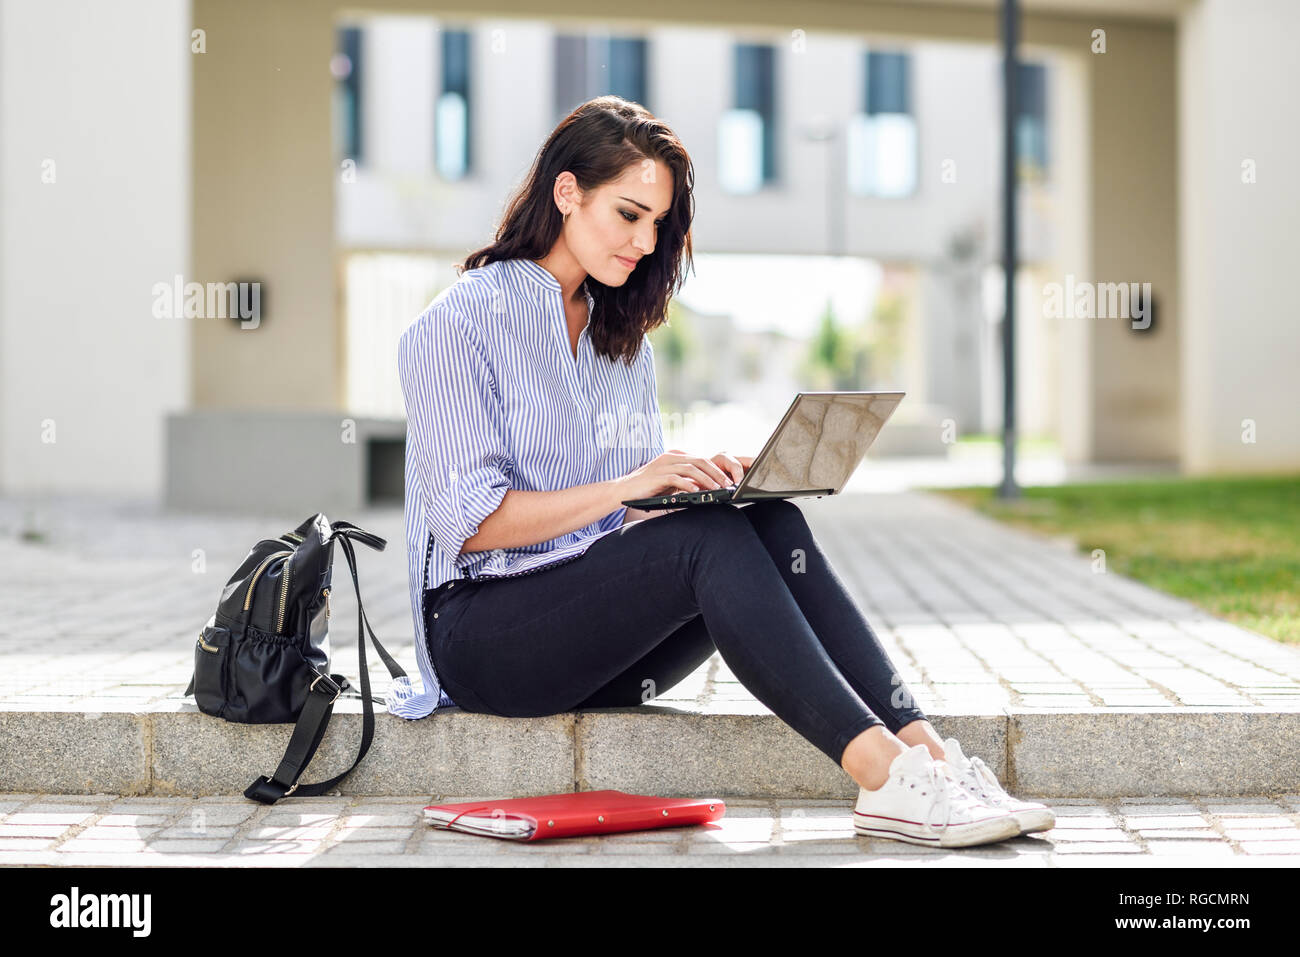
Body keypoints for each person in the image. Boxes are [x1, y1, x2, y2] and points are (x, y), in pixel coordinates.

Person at [393, 95, 1053, 848]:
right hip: (483, 636)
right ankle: (884, 775)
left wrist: (696, 489)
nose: (644, 242)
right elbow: (467, 525)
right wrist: (627, 487)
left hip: (585, 638)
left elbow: (626, 531)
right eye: (629, 214)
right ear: (567, 192)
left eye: (658, 225)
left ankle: (931, 757)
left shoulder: (621, 344)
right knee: (705, 545)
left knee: (762, 520)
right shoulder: (457, 325)